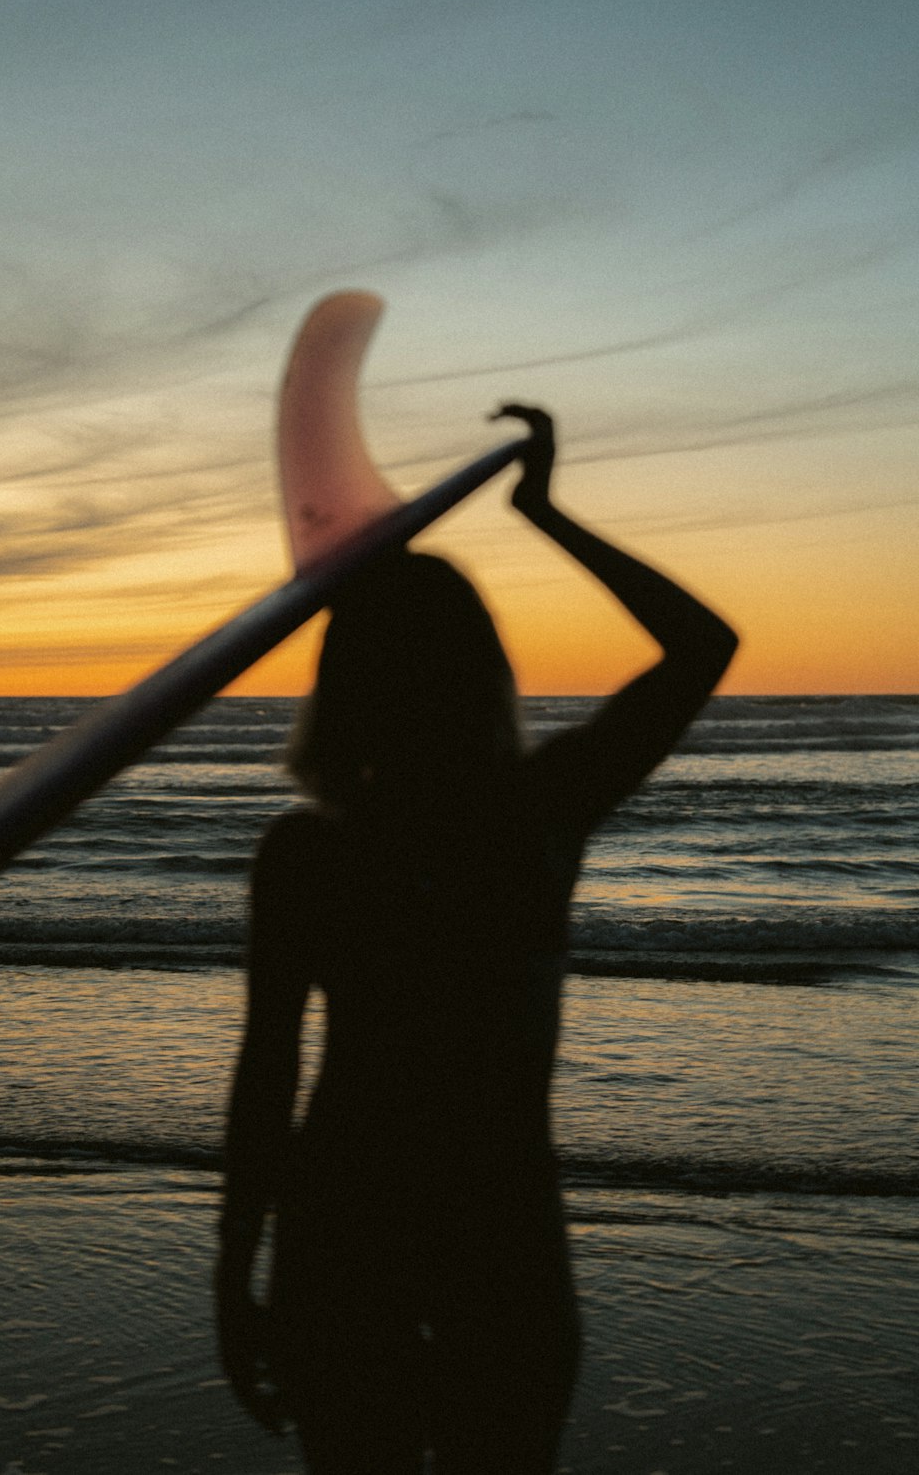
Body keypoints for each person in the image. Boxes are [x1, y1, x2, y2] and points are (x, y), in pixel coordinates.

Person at [215, 405, 738, 1474]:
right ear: (482, 673)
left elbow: (268, 1077)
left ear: (348, 685)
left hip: (344, 1229)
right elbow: (701, 647)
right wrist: (545, 511)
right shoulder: (537, 816)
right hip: (495, 1233)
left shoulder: (309, 853)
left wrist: (234, 1278)